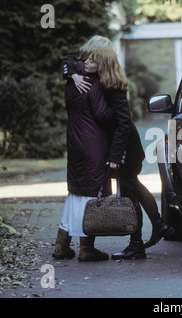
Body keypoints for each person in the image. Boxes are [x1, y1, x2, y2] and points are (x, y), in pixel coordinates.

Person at [62, 36, 174, 252]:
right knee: (133, 186)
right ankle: (159, 225)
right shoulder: (100, 75)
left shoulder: (113, 84)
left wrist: (115, 155)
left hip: (125, 146)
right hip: (119, 145)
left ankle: (137, 243)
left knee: (130, 191)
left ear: (102, 60)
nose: (86, 61)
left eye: (92, 59)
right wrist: (74, 74)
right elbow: (68, 59)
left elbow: (123, 123)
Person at [52, 48, 115, 262]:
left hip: (75, 140)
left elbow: (66, 59)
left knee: (76, 192)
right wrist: (117, 105)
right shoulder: (93, 83)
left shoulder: (72, 79)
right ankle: (87, 248)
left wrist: (73, 73)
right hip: (93, 143)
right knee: (91, 192)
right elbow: (103, 115)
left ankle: (62, 245)